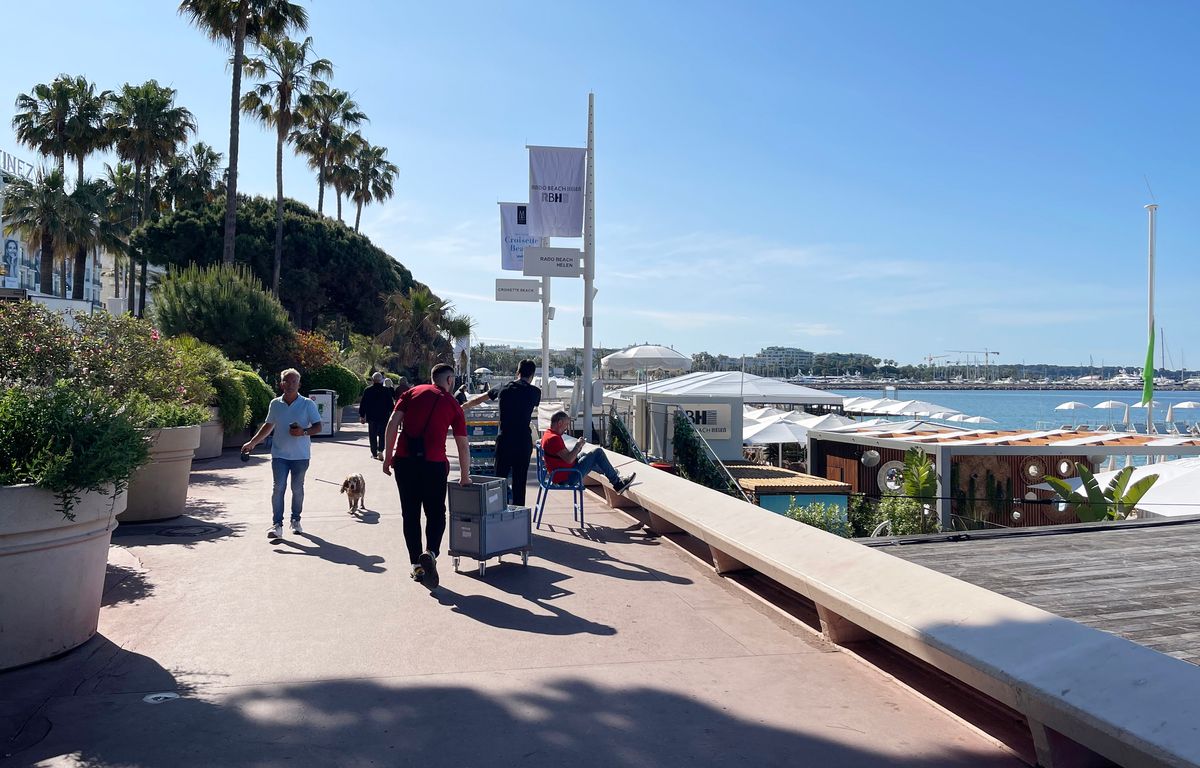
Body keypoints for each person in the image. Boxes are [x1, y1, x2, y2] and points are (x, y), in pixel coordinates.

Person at [383, 363, 471, 587]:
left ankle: (417, 566)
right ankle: (431, 552)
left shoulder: (410, 393)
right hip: (433, 465)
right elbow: (462, 445)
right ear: (450, 380)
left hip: (404, 462)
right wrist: (464, 475)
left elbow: (392, 424)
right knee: (435, 513)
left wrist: (387, 456)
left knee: (410, 514)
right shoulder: (453, 404)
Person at [242, 368, 323, 540]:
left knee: (297, 488)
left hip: (301, 456)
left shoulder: (308, 404)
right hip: (279, 455)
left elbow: (318, 426)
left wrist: (303, 432)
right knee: (278, 488)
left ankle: (296, 520)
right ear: (281, 384)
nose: (290, 384)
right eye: (287, 381)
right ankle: (277, 524)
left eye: (294, 381)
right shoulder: (275, 404)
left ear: (299, 384)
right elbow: (268, 425)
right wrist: (253, 443)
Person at [463, 359, 541, 507]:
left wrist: (463, 406)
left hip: (505, 440)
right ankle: (518, 514)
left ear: (517, 372)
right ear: (532, 374)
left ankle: (497, 511)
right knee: (520, 482)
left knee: (499, 480)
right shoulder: (535, 392)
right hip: (523, 441)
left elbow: (480, 399)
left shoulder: (502, 387)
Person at [541, 410, 636, 493]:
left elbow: (563, 456)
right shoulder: (554, 439)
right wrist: (578, 445)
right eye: (566, 425)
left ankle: (609, 471)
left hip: (560, 473)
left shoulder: (547, 434)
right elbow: (569, 459)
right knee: (598, 452)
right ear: (560, 423)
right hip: (567, 477)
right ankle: (617, 483)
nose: (566, 428)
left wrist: (578, 449)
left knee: (583, 454)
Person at [358, 372, 394, 460]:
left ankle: (374, 453)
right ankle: (380, 450)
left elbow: (363, 404)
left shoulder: (368, 390)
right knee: (382, 435)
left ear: (373, 380)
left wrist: (362, 415)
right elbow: (390, 404)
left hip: (372, 417)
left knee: (372, 435)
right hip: (384, 416)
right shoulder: (386, 390)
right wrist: (392, 414)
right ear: (381, 380)